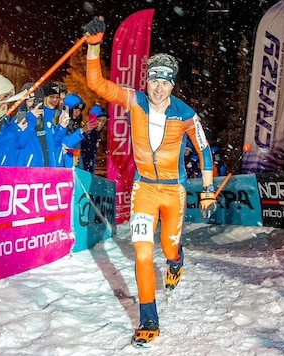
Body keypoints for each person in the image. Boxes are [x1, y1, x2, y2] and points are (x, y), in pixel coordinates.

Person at [83, 17, 216, 347]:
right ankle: (148, 319)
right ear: (148, 81)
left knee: (168, 248)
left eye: (165, 81)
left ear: (173, 85)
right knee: (143, 254)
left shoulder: (185, 114)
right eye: (154, 80)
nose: (159, 87)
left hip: (173, 192)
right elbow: (97, 83)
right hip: (144, 190)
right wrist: (95, 45)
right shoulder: (134, 100)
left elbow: (205, 150)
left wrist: (209, 189)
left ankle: (176, 260)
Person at [81, 104, 108, 173]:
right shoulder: (87, 133)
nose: (101, 123)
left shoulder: (95, 134)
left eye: (103, 121)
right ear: (91, 118)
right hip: (82, 171)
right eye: (98, 120)